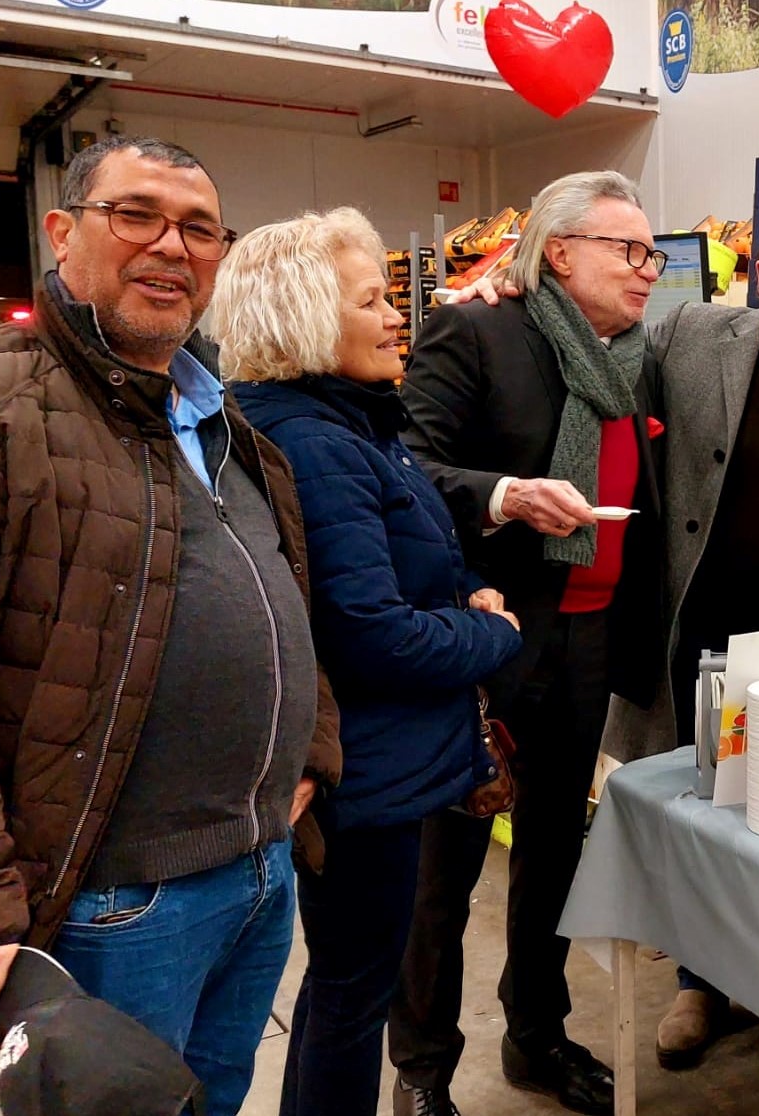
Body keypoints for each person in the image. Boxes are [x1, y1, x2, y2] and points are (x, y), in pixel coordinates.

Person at [0, 135, 341, 1113]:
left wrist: (311, 753)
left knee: (216, 1100)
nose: (171, 245)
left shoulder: (231, 425)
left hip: (258, 875)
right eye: (137, 214)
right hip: (117, 902)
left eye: (198, 228)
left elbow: (288, 601)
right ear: (63, 232)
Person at [452, 204, 759, 1079]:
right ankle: (700, 982)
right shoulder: (691, 336)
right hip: (695, 643)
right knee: (699, 826)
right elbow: (586, 353)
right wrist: (522, 295)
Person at [217, 207, 527, 1116]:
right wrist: (493, 632)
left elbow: (417, 547)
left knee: (342, 987)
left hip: (380, 764)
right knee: (356, 998)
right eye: (374, 301)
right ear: (309, 319)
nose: (400, 316)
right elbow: (372, 633)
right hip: (371, 773)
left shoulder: (347, 422)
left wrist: (462, 589)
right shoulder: (317, 442)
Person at [395, 170, 666, 1116]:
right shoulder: (476, 330)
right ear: (559, 253)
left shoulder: (633, 355)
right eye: (628, 251)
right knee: (449, 864)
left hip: (589, 640)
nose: (648, 270)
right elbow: (407, 468)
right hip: (490, 637)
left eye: (652, 254)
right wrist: (506, 495)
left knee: (555, 850)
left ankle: (536, 1038)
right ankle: (422, 1068)